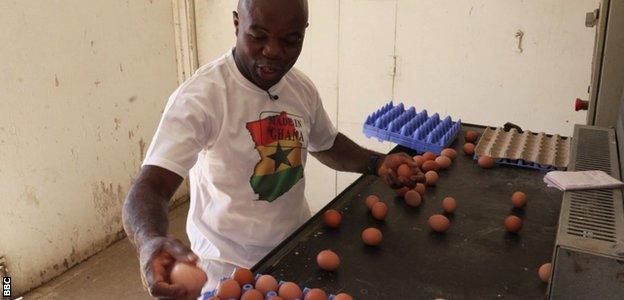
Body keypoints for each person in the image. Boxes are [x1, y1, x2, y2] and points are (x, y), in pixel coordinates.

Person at [122, 0, 423, 298]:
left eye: (291, 40)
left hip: (295, 249)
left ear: (304, 32)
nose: (274, 52)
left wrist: (377, 163)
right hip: (227, 269)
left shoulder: (300, 88)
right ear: (237, 23)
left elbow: (326, 143)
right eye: (258, 36)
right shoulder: (202, 97)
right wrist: (150, 240)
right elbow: (151, 187)